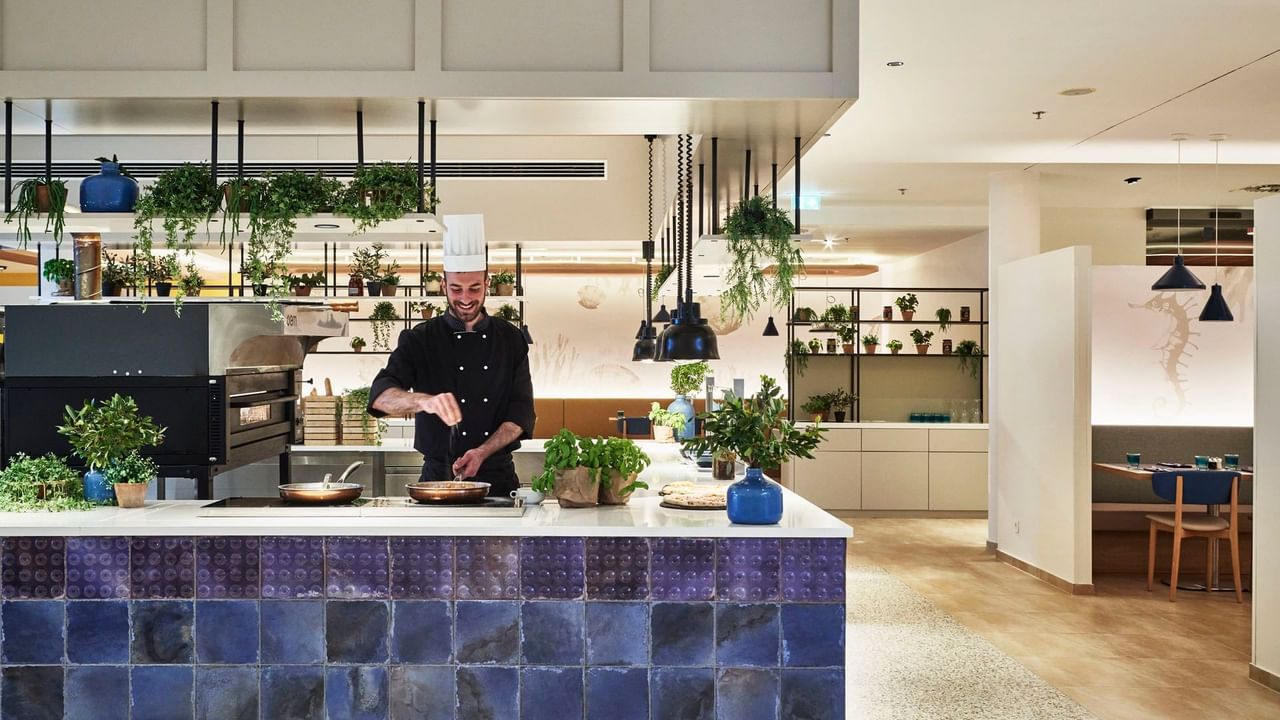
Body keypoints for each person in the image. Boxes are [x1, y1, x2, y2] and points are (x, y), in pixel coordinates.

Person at [366, 214, 535, 497]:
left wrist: (482, 452)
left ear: (487, 282)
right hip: (436, 480)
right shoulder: (419, 339)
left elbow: (520, 414)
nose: (466, 298)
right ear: (443, 285)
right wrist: (424, 401)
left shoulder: (511, 339)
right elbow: (380, 397)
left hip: (499, 479)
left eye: (474, 288)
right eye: (456, 289)